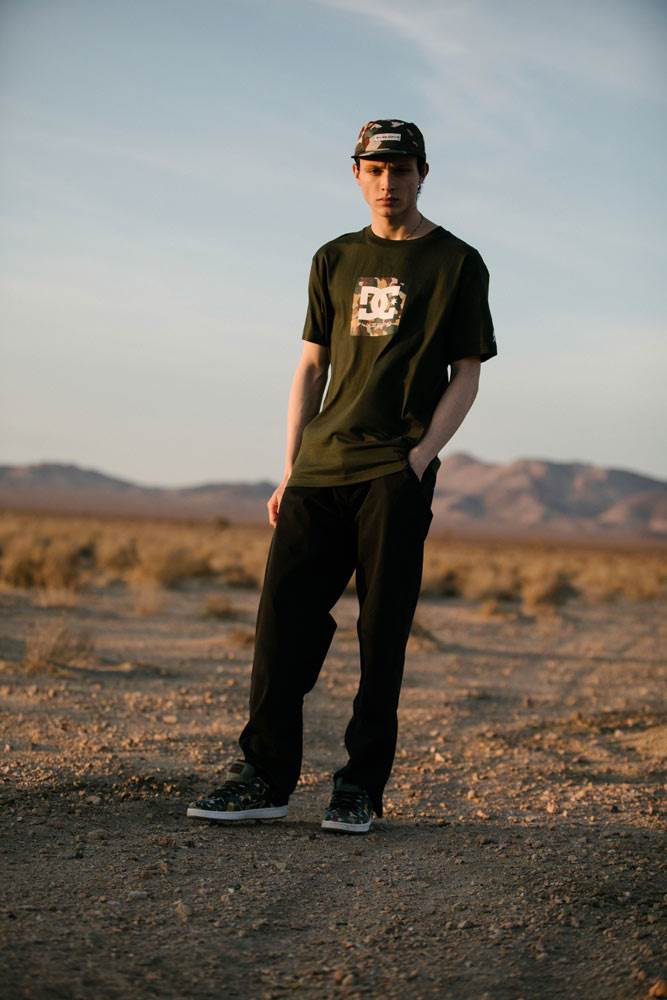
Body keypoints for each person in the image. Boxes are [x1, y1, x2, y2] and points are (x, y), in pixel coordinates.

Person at [187, 119, 497, 834]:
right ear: (356, 174)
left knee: (380, 634)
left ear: (423, 174)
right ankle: (264, 777)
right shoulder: (333, 258)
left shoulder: (457, 262)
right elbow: (310, 366)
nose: (388, 183)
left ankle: (359, 788)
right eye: (375, 169)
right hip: (319, 471)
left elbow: (467, 374)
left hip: (393, 472)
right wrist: (289, 470)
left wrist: (418, 459)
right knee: (281, 624)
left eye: (401, 169)